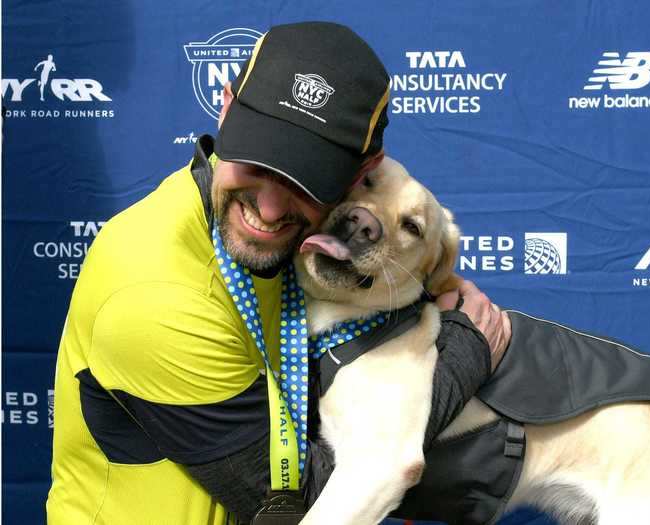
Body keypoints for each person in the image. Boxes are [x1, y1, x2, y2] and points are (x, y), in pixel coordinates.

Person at [46, 22, 511, 525]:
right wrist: (464, 356)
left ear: (362, 172)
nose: (269, 211)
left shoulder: (313, 248)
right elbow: (295, 505)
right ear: (225, 108)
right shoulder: (155, 296)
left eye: (304, 178)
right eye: (257, 162)